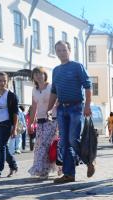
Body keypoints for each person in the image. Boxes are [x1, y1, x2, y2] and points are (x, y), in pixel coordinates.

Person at [48, 40, 94, 183]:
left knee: (73, 139)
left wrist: (87, 106)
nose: (61, 53)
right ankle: (69, 174)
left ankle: (89, 162)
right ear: (56, 52)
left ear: (69, 51)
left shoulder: (77, 66)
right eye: (59, 50)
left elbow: (88, 86)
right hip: (61, 109)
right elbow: (54, 91)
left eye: (64, 50)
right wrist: (48, 109)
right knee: (64, 143)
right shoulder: (55, 70)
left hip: (76, 107)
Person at [28, 67, 59, 179]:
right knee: (40, 146)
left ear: (45, 75)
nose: (38, 76)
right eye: (35, 74)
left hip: (52, 120)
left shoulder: (51, 87)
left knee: (47, 145)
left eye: (40, 74)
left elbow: (58, 99)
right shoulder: (34, 90)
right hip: (40, 121)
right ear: (33, 77)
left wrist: (52, 109)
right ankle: (45, 168)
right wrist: (31, 123)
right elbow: (34, 106)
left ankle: (46, 169)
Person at [0, 71, 19, 179]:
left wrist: (15, 128)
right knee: (3, 148)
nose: (2, 83)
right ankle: (13, 166)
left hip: (5, 124)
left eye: (4, 81)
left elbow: (15, 113)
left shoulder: (11, 95)